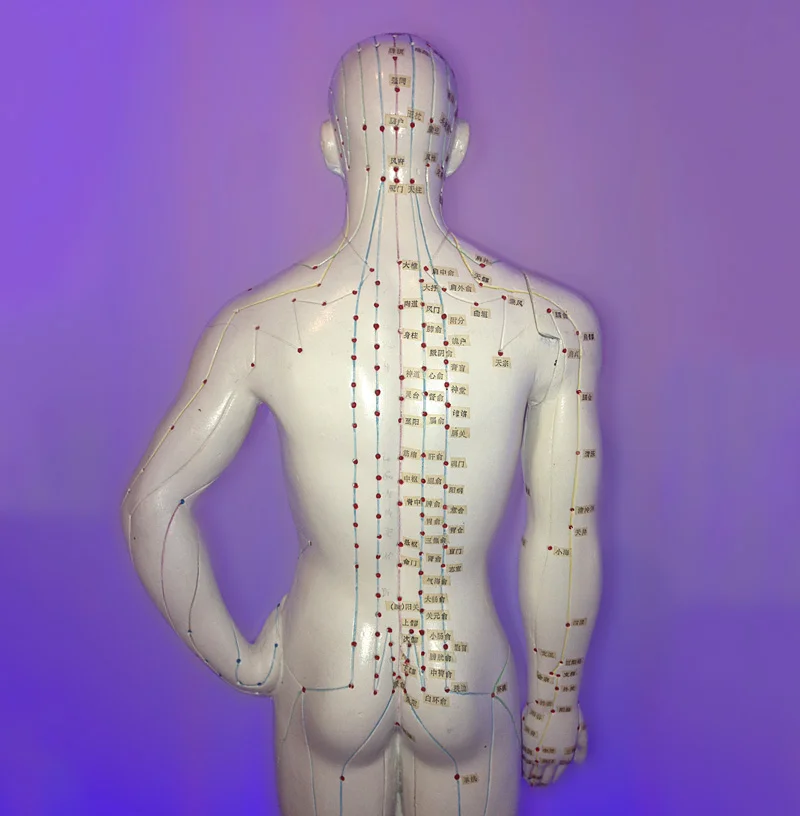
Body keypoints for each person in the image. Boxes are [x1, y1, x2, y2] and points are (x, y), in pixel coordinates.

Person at [121, 31, 602, 816]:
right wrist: (555, 702)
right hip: (466, 680)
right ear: (459, 147)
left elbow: (151, 507)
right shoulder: (553, 324)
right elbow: (563, 535)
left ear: (330, 147)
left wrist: (241, 661)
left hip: (328, 672)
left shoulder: (260, 324)